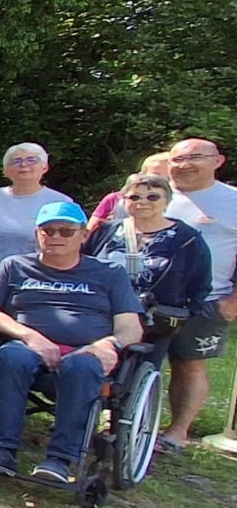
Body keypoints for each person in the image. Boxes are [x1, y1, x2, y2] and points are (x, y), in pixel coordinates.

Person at [0, 201, 143, 485]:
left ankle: (60, 459)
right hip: (26, 346)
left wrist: (108, 344)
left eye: (66, 231)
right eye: (48, 230)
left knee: (83, 367)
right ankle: (0, 449)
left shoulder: (109, 273)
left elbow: (131, 328)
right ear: (37, 234)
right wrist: (30, 336)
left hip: (85, 352)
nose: (56, 236)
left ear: (83, 235)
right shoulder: (14, 266)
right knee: (11, 358)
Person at [83, 173, 212, 448]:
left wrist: (186, 314)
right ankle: (80, 420)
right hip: (101, 314)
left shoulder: (186, 240)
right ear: (124, 200)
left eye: (152, 196)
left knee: (135, 377)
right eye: (135, 196)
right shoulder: (107, 231)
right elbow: (84, 264)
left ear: (166, 200)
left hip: (153, 321)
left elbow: (200, 284)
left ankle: (122, 431)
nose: (143, 202)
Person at [159, 138, 236, 450]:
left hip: (207, 299)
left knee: (189, 364)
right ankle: (118, 421)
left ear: (218, 161)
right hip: (143, 296)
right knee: (127, 360)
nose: (184, 165)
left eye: (195, 158)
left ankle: (177, 433)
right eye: (177, 159)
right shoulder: (153, 194)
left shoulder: (232, 201)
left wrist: (232, 303)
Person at [0, 143, 72, 260]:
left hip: (32, 269)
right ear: (5, 171)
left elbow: (70, 245)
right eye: (15, 161)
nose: (23, 164)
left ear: (45, 167)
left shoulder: (61, 203)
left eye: (31, 160)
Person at [88, 153, 171, 232]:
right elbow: (90, 231)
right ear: (142, 174)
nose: (163, 180)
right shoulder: (115, 199)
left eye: (169, 176)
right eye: (156, 175)